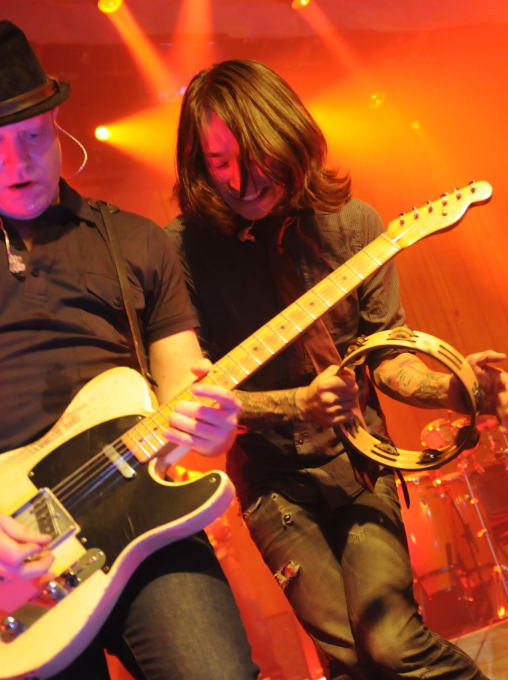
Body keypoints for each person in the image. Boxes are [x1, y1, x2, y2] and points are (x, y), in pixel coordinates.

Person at [168, 58, 508, 680]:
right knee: (350, 663)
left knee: (392, 645)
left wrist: (456, 388)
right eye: (219, 162)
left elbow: (386, 361)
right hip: (272, 488)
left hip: (360, 467)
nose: (239, 181)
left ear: (289, 136)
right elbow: (191, 400)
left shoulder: (355, 225)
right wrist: (295, 404)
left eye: (253, 156)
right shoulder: (181, 252)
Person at [0, 21, 258, 680]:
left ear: (56, 122)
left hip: (142, 517)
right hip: (14, 551)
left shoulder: (138, 242)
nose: (17, 165)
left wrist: (213, 428)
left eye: (31, 138)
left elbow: (186, 406)